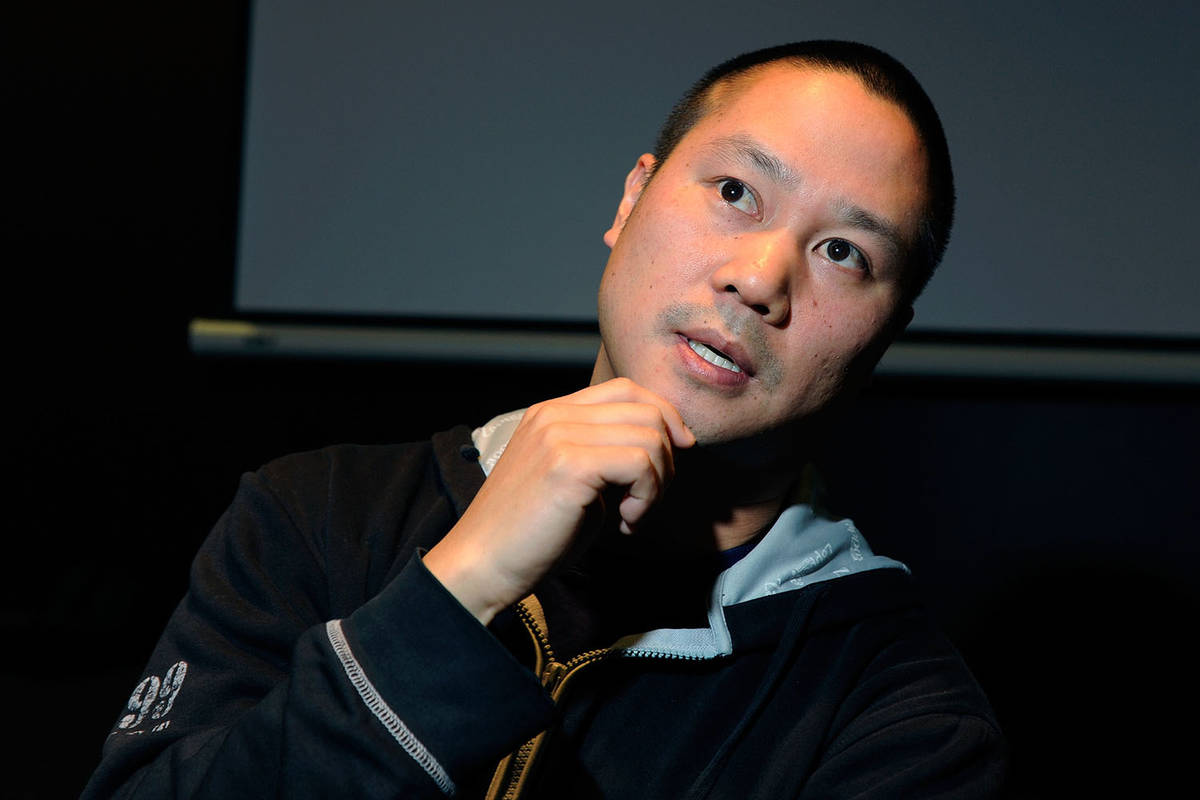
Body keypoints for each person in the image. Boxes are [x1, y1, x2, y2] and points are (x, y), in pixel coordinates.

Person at [83, 41, 1006, 798]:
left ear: (885, 332)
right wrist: (458, 588)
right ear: (630, 200)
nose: (761, 279)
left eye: (843, 252)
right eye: (735, 193)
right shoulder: (318, 512)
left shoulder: (900, 714)